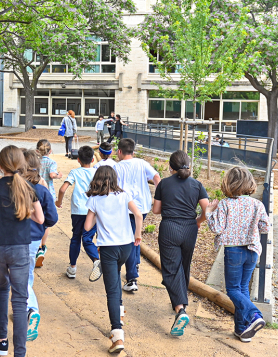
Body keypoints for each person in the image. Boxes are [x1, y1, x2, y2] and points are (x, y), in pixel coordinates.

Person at [0, 145, 45, 357]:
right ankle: (19, 353)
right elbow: (40, 219)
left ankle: (1, 342)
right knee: (20, 300)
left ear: (0, 165)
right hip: (20, 249)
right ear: (21, 165)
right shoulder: (27, 188)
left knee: (2, 289)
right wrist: (26, 211)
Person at [206, 166, 270, 343]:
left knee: (233, 290)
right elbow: (265, 227)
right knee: (242, 289)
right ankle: (242, 330)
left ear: (229, 183)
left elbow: (216, 228)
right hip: (252, 251)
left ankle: (254, 314)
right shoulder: (257, 204)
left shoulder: (226, 204)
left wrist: (209, 212)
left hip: (234, 250)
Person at [83, 165, 143, 353]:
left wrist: (96, 216)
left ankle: (117, 335)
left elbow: (86, 227)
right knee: (116, 277)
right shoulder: (123, 196)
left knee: (111, 290)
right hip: (126, 246)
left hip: (108, 249)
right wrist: (137, 235)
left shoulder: (94, 200)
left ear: (98, 180)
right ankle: (120, 311)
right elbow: (139, 215)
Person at [152, 151, 209, 336]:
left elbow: (156, 210)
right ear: (188, 166)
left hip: (169, 228)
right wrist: (198, 221)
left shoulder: (164, 184)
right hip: (190, 230)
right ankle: (182, 303)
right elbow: (206, 210)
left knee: (170, 268)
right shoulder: (197, 184)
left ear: (170, 167)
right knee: (184, 266)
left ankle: (180, 310)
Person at [113, 138, 160, 292]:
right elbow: (157, 178)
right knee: (136, 236)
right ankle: (135, 264)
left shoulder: (117, 167)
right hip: (143, 206)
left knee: (131, 240)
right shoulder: (142, 163)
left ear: (119, 151)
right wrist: (160, 197)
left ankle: (132, 277)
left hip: (126, 208)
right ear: (132, 151)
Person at [21, 149, 58, 341]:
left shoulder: (15, 189)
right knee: (26, 273)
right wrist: (42, 225)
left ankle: (31, 309)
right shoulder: (42, 190)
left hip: (16, 239)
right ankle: (25, 309)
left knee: (20, 276)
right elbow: (52, 218)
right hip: (35, 238)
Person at [56, 145, 100, 281]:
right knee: (88, 238)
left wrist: (59, 202)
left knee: (76, 238)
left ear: (78, 160)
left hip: (77, 211)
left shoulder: (75, 172)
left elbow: (63, 189)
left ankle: (73, 268)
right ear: (93, 159)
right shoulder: (97, 173)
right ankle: (96, 260)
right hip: (92, 211)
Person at [35, 139, 61, 267]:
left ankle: (37, 245)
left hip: (35, 193)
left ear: (36, 151)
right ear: (50, 151)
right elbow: (52, 174)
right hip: (48, 194)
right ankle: (42, 247)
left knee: (36, 218)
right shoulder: (52, 162)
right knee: (46, 223)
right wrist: (58, 175)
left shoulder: (35, 162)